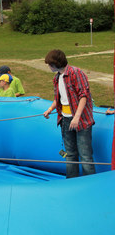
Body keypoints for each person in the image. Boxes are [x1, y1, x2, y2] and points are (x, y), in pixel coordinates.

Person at [43, 49, 95, 178]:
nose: (49, 67)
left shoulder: (76, 73)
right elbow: (59, 98)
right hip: (65, 120)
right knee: (70, 154)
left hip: (80, 120)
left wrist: (76, 117)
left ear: (56, 63)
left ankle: (91, 182)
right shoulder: (57, 78)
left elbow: (84, 95)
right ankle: (72, 180)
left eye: (50, 64)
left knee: (85, 154)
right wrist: (50, 109)